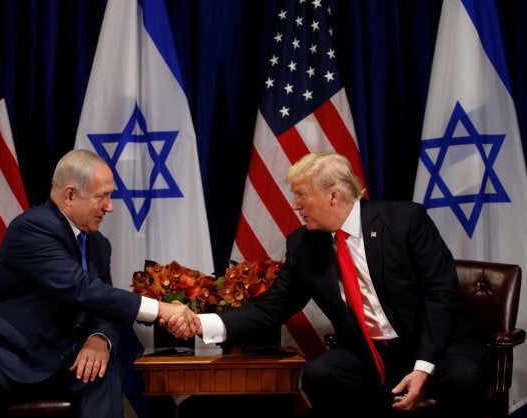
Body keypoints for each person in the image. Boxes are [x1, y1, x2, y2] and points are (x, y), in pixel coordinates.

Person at [181, 151, 489, 417]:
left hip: (437, 345)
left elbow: (442, 296)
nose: (295, 204)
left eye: (301, 194)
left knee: (463, 378)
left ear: (334, 195)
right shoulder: (303, 245)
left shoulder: (405, 220)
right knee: (320, 374)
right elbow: (271, 310)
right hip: (371, 354)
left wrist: (422, 367)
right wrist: (200, 323)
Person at [0, 149, 199, 418]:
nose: (110, 206)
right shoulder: (32, 228)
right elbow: (81, 288)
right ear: (70, 194)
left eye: (110, 195)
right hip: (1, 353)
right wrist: (160, 309)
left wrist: (100, 338)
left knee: (104, 372)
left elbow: (103, 305)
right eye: (102, 196)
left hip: (58, 357)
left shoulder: (98, 244)